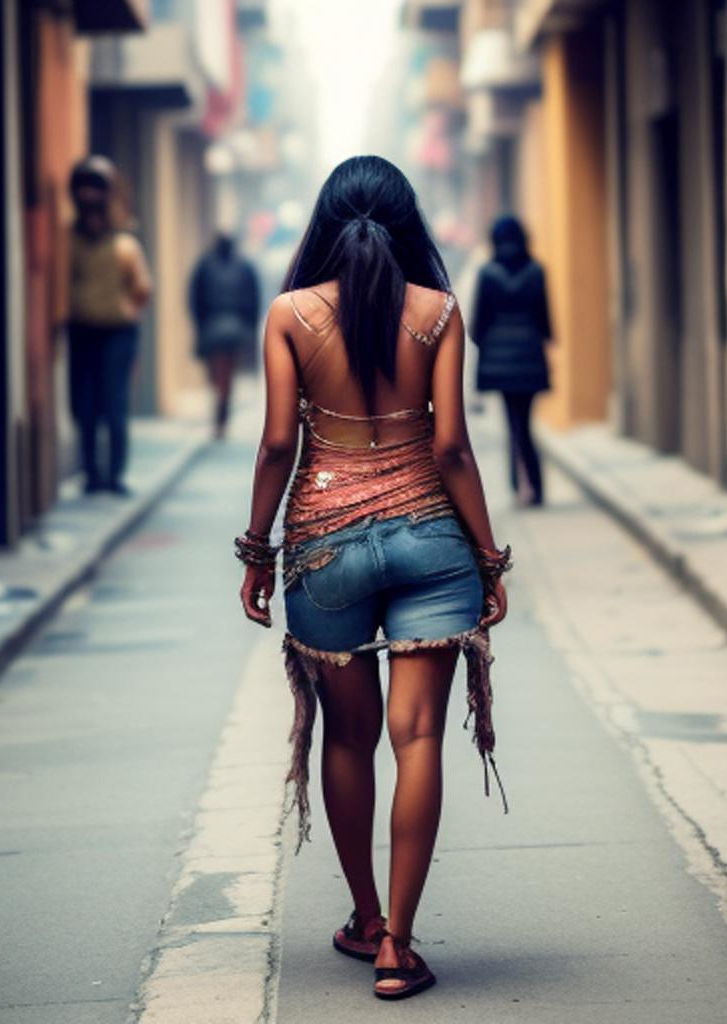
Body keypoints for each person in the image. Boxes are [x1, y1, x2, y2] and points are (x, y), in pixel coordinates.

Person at [235, 156, 511, 1001]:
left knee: (347, 739)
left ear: (324, 221)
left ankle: (363, 917)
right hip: (433, 541)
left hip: (323, 550)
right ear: (407, 221)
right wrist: (489, 559)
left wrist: (257, 549)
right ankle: (399, 943)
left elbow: (280, 443)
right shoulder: (438, 313)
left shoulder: (288, 314)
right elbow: (452, 448)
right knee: (418, 737)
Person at [67, 156, 152, 496]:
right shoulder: (69, 239)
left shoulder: (124, 241)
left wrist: (127, 311)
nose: (88, 195)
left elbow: (143, 288)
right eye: (83, 187)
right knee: (84, 406)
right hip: (81, 330)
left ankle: (114, 475)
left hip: (117, 333)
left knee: (114, 405)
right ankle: (91, 474)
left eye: (95, 187)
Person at [471, 216, 553, 506]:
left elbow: (478, 323)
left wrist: (489, 348)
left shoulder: (487, 273)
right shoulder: (535, 271)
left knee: (513, 422)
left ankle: (519, 485)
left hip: (501, 360)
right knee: (525, 423)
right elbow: (544, 320)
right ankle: (535, 486)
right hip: (529, 356)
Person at [189, 233, 260, 438]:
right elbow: (253, 301)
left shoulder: (205, 265)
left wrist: (200, 326)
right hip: (234, 329)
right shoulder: (244, 266)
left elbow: (195, 299)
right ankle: (221, 413)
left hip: (213, 328)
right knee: (224, 375)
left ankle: (220, 414)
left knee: (219, 375)